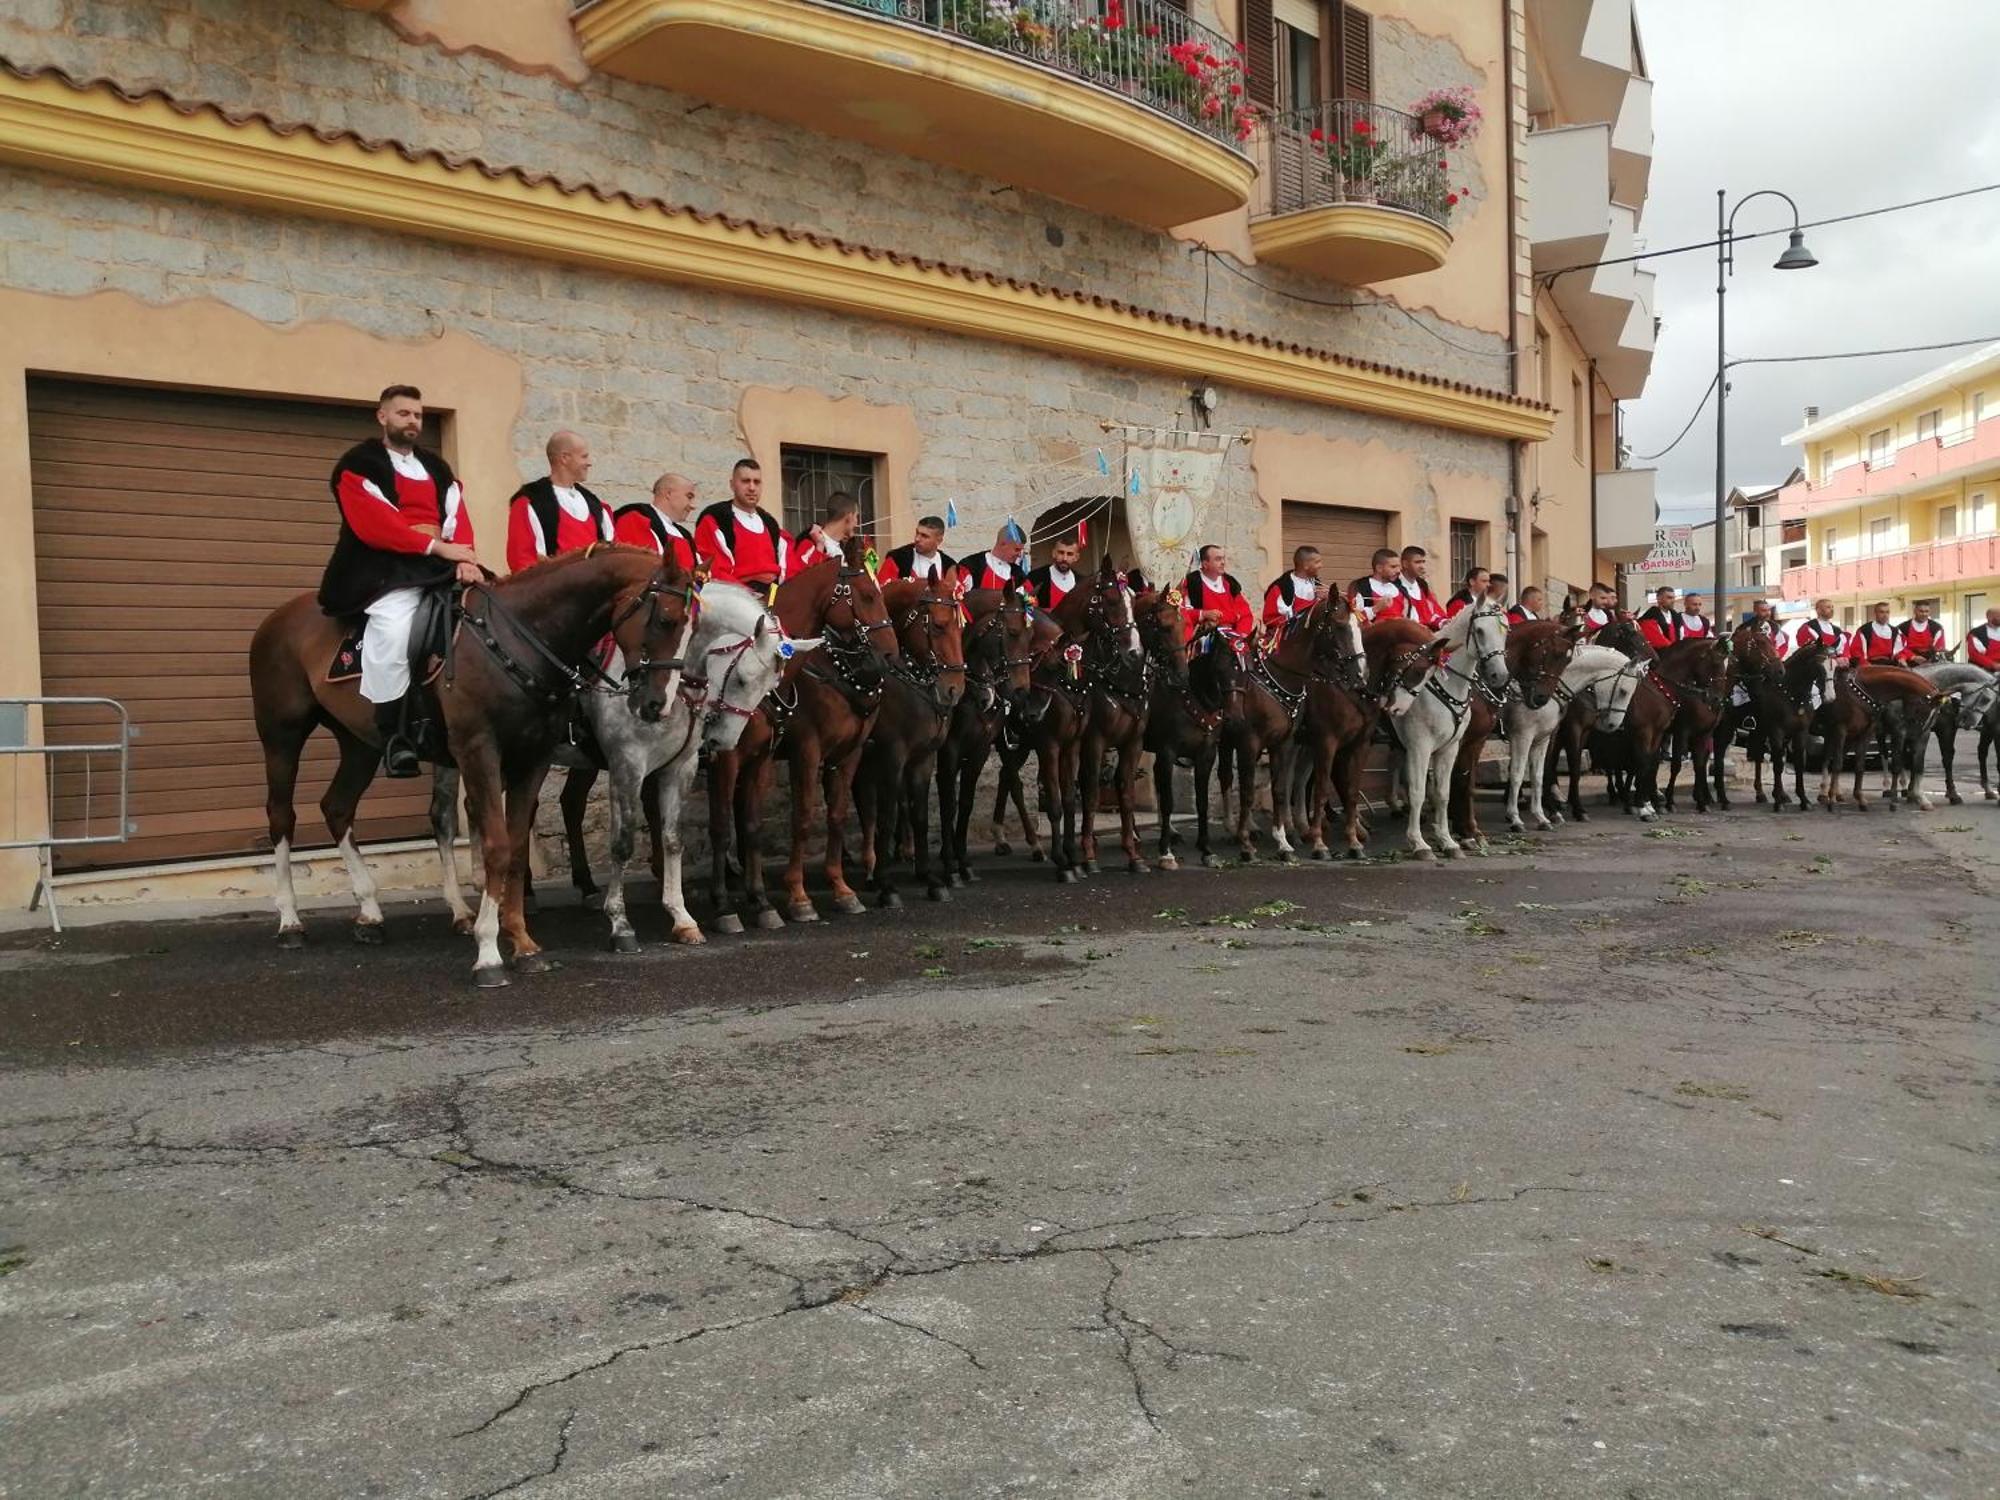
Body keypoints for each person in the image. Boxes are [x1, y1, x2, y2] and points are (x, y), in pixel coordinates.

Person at [319, 384, 479, 778]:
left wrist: (467, 558)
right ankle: (394, 734)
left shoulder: (437, 469)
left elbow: (458, 519)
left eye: (418, 416)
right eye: (404, 414)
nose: (413, 422)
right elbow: (377, 526)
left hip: (439, 563)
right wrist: (437, 547)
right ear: (383, 417)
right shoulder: (359, 465)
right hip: (380, 568)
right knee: (394, 629)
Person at [504, 430, 613, 575]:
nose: (589, 463)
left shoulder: (595, 505)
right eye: (584, 456)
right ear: (565, 458)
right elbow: (522, 562)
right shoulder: (530, 502)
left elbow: (613, 554)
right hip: (552, 594)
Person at [695, 458, 793, 591]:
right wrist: (749, 597)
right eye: (745, 481)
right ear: (732, 484)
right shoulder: (716, 519)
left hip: (773, 596)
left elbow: (788, 568)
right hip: (735, 596)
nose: (752, 488)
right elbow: (715, 570)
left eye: (756, 482)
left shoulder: (770, 524)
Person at [613, 471, 698, 572]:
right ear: (669, 494)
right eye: (689, 497)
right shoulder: (634, 519)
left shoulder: (684, 535)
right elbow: (638, 568)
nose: (693, 506)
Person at [1182, 543, 1255, 639]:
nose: (1223, 562)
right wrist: (1203, 614)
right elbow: (1182, 613)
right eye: (1218, 559)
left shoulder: (1230, 583)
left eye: (1223, 558)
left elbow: (1245, 614)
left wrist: (1241, 636)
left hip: (1232, 636)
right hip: (1204, 637)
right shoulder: (1191, 583)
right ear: (1205, 564)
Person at [789, 491, 860, 574]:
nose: (856, 523)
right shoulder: (809, 543)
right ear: (849, 517)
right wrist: (819, 547)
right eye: (856, 516)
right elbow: (803, 580)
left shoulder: (842, 549)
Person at [877, 514, 957, 585]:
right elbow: (882, 591)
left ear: (938, 541)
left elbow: (957, 596)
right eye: (917, 533)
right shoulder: (898, 559)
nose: (917, 539)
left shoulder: (949, 566)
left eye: (924, 536)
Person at [957, 520, 1028, 593]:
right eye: (1017, 550)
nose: (1020, 555)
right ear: (1003, 544)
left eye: (1021, 550)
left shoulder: (1019, 575)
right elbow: (956, 597)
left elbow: (1030, 600)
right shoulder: (972, 565)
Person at [1266, 545, 1326, 630]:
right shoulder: (1280, 588)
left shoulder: (1317, 584)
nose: (1321, 565)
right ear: (1306, 565)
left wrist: (1324, 601)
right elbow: (1273, 620)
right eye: (1317, 562)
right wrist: (1312, 605)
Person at [1344, 547, 1402, 623]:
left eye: (1399, 567)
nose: (1398, 570)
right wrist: (1375, 608)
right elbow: (1354, 619)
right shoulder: (1359, 587)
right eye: (1393, 567)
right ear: (1379, 568)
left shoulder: (1400, 588)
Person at [1025, 533, 1082, 611]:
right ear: (1054, 553)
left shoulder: (1081, 582)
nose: (1065, 558)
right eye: (1061, 552)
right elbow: (1028, 609)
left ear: (1076, 557)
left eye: (1070, 554)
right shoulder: (1034, 578)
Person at [1395, 545, 1445, 627]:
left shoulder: (1422, 585)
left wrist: (1443, 622)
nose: (1422, 566)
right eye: (1417, 562)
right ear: (1405, 564)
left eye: (1423, 562)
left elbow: (1435, 611)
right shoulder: (1394, 587)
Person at [1845, 600, 1903, 665]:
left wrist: (1901, 658)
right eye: (1882, 612)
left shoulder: (1895, 631)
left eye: (1887, 612)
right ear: (1875, 613)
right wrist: (1864, 663)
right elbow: (1856, 651)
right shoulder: (1864, 630)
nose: (1885, 615)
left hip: (1889, 664)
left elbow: (1899, 651)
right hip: (1870, 664)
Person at [1637, 585, 1684, 651]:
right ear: (1659, 599)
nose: (1673, 601)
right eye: (1669, 598)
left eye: (1673, 598)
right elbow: (1657, 641)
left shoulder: (1676, 617)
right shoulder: (1649, 617)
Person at [1967, 606, 2000, 670]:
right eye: (1999, 616)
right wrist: (1993, 665)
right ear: (1989, 617)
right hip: (1982, 670)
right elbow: (1974, 655)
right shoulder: (1976, 633)